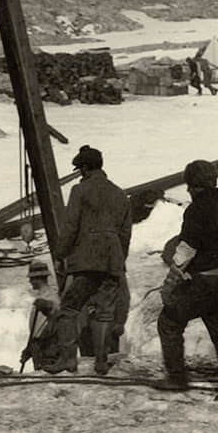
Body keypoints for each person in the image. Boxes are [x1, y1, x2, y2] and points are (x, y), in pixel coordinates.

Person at [155, 160, 218, 403]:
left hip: (205, 283)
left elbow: (186, 250)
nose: (187, 190)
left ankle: (176, 377)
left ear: (194, 185)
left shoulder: (196, 210)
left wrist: (172, 279)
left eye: (189, 185)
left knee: (169, 321)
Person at [45, 144, 132, 376]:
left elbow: (71, 226)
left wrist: (60, 253)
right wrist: (118, 258)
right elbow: (125, 233)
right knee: (105, 310)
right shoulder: (120, 193)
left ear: (84, 169)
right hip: (112, 260)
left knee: (69, 307)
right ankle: (102, 362)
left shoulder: (79, 191)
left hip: (87, 260)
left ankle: (68, 360)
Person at [19, 260, 62, 371]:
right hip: (37, 346)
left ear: (37, 279)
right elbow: (36, 328)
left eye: (31, 279)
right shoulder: (41, 296)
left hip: (47, 346)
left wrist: (47, 305)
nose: (30, 281)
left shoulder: (50, 295)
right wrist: (28, 350)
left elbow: (56, 310)